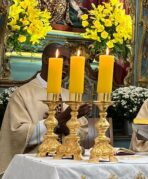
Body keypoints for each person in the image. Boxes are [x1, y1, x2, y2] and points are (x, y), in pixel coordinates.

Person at [0, 43, 90, 175]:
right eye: (62, 59)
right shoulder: (22, 94)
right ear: (46, 60)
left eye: (69, 61)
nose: (67, 64)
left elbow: (82, 133)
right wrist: (58, 120)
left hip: (68, 166)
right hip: (34, 167)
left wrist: (65, 126)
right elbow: (16, 134)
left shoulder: (70, 95)